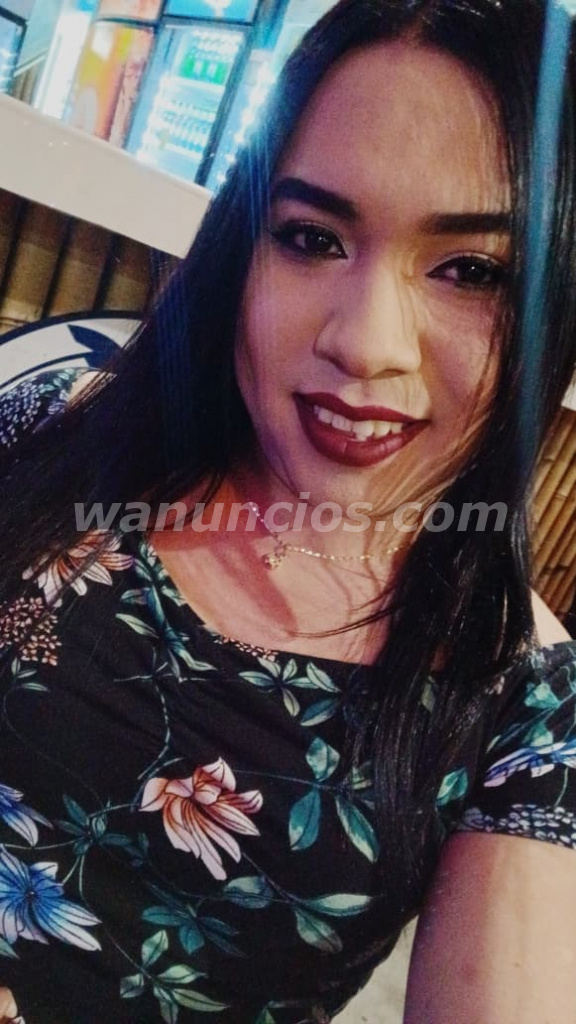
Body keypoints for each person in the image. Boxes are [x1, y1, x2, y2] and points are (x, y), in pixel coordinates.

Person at [0, 0, 575, 1020]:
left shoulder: (524, 694)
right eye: (311, 237)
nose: (365, 343)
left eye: (472, 271)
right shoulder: (53, 420)